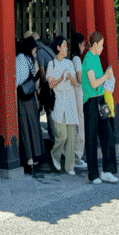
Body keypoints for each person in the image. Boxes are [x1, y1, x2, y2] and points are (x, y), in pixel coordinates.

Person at [81, 31, 118, 184]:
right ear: (94, 44)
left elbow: (100, 83)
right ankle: (93, 174)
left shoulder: (96, 58)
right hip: (90, 101)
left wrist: (108, 76)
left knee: (108, 134)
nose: (102, 48)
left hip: (101, 99)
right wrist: (106, 76)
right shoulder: (88, 59)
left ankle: (107, 171)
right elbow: (94, 83)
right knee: (91, 138)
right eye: (101, 45)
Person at [45, 36, 79, 174]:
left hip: (70, 101)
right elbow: (51, 84)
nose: (66, 48)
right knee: (62, 136)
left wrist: (71, 78)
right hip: (59, 102)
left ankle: (70, 166)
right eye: (64, 46)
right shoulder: (51, 64)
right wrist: (61, 78)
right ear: (58, 47)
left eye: (67, 46)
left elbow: (76, 83)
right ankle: (55, 155)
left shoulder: (70, 63)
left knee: (71, 137)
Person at [15, 36, 45, 174]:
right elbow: (22, 81)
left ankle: (30, 159)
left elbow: (19, 82)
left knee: (27, 128)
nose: (35, 50)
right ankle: (31, 158)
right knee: (30, 128)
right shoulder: (23, 59)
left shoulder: (23, 58)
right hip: (27, 99)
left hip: (25, 99)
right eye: (34, 47)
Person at [70, 32, 87, 169]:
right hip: (77, 94)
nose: (84, 47)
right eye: (83, 44)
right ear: (79, 44)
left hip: (75, 94)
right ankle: (77, 156)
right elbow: (80, 79)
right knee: (80, 124)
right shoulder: (76, 59)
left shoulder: (73, 58)